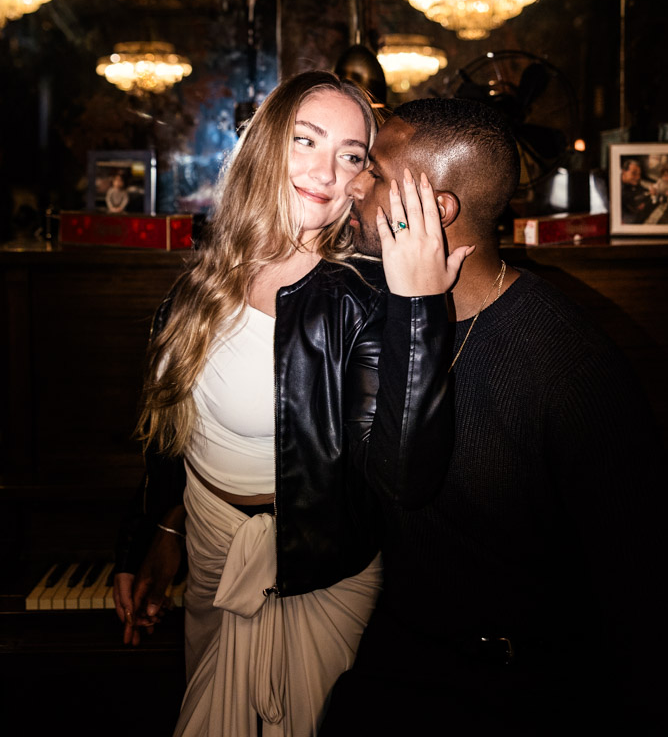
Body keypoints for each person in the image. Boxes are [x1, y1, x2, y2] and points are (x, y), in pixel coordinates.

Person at [113, 72, 468, 737]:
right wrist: (155, 537)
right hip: (210, 550)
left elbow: (404, 479)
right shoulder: (201, 279)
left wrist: (418, 307)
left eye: (351, 154)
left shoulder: (358, 300)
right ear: (265, 146)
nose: (326, 170)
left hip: (314, 572)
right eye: (306, 141)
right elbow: (174, 433)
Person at [320, 97, 668, 736]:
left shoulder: (568, 362)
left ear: (438, 209)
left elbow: (642, 594)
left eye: (373, 172)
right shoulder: (381, 316)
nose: (353, 183)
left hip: (519, 692)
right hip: (397, 664)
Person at [620, 157, 655, 223]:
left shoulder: (632, 182)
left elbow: (640, 188)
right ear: (623, 171)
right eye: (634, 173)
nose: (638, 177)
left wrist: (649, 191)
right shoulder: (617, 188)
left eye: (639, 174)